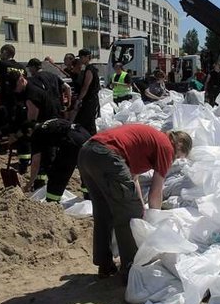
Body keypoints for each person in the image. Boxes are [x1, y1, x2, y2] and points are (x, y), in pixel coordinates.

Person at [78, 125, 193, 281]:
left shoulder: (152, 141)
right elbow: (156, 192)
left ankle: (104, 265)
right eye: (179, 156)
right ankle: (130, 268)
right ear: (178, 145)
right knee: (128, 214)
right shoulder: (167, 147)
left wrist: (140, 206)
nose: (175, 159)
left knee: (104, 211)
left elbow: (133, 178)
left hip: (87, 153)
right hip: (107, 155)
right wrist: (154, 219)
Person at [21, 118, 91, 202]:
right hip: (85, 135)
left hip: (72, 141)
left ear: (29, 131)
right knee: (87, 169)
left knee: (60, 173)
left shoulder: (37, 133)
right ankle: (90, 197)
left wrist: (29, 184)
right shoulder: (49, 123)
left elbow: (36, 163)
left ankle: (52, 201)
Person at [70, 49, 100, 135]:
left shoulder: (89, 69)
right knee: (89, 122)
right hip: (91, 99)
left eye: (82, 57)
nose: (80, 59)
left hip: (90, 100)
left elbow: (86, 86)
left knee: (86, 121)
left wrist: (79, 99)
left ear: (87, 57)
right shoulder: (89, 69)